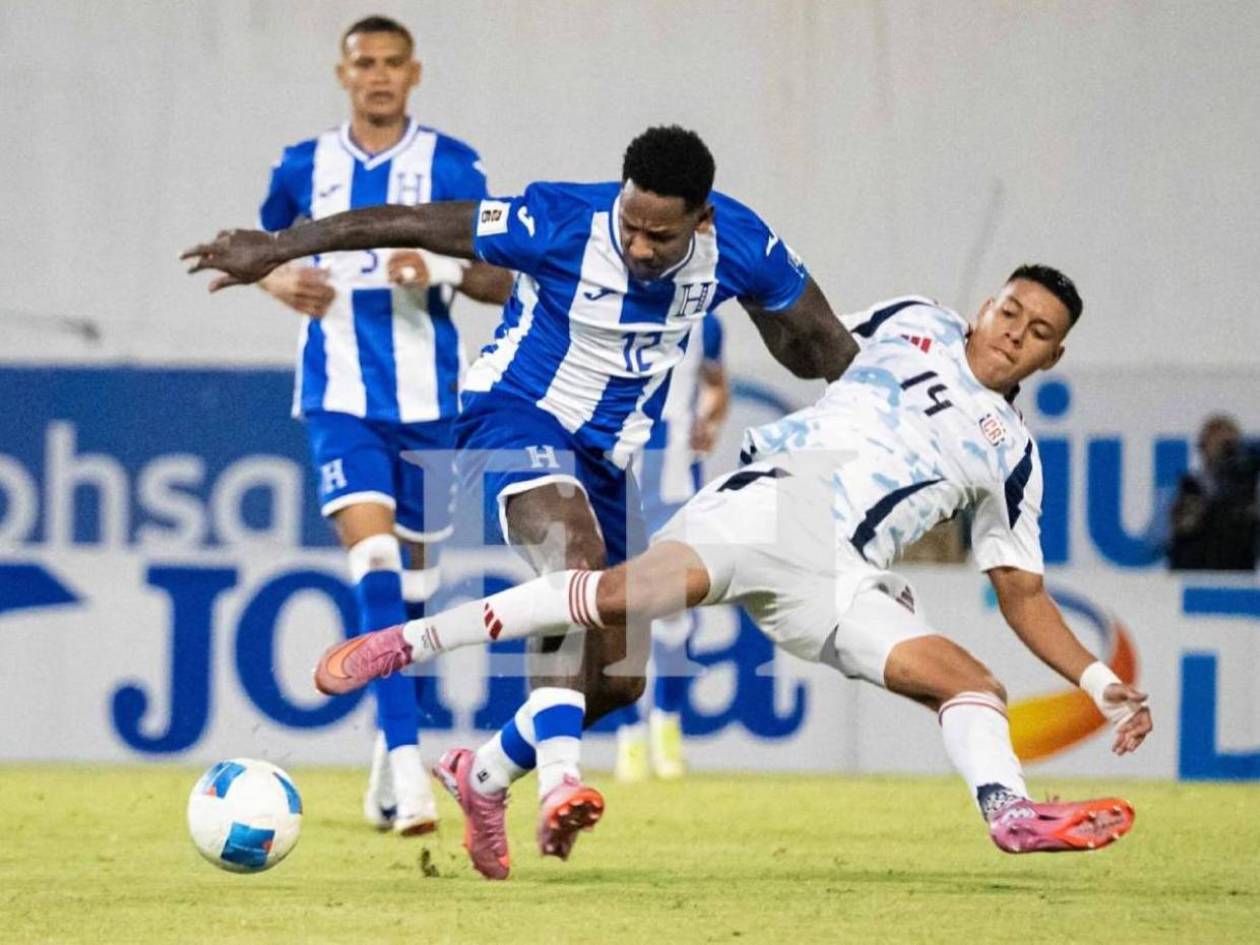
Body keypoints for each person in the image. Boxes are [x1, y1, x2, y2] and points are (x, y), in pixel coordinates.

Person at [183, 125, 855, 878]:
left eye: (657, 237)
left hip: (607, 458)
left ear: (701, 220)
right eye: (629, 225)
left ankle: (487, 773)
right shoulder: (559, 220)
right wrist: (279, 246)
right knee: (573, 555)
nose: (636, 246)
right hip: (512, 414)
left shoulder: (743, 245)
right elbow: (407, 219)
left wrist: (881, 427)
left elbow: (825, 342)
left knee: (621, 679)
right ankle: (562, 780)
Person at [313, 266, 1155, 860]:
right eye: (1011, 310)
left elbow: (1021, 589)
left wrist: (1093, 680)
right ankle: (408, 642)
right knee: (612, 604)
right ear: (986, 303)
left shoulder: (1015, 455)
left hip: (844, 575)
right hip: (778, 498)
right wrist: (751, 289)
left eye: (1039, 332)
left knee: (971, 683)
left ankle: (1008, 813)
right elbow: (811, 336)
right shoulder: (914, 318)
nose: (1016, 332)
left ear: (1053, 358)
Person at [254, 15, 513, 836]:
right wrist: (275, 284)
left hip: (431, 404)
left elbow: (506, 279)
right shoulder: (302, 167)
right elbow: (264, 249)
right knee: (373, 563)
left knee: (414, 595)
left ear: (414, 73)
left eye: (392, 63)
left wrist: (436, 265)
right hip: (338, 399)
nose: (377, 76)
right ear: (343, 74)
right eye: (364, 63)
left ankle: (380, 771)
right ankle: (410, 771)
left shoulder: (451, 164)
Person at [613, 311, 729, 781]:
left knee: (676, 608)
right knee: (619, 607)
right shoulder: (611, 306)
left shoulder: (707, 322)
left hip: (677, 479)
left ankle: (666, 724)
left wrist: (709, 420)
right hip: (618, 474)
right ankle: (628, 737)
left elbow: (717, 385)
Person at [1168, 414, 1260, 570]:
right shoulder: (1184, 489)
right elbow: (1156, 541)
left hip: (1237, 579)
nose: (1224, 452)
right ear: (1203, 447)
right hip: (1191, 576)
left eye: (1230, 446)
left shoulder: (1249, 492)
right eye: (1218, 444)